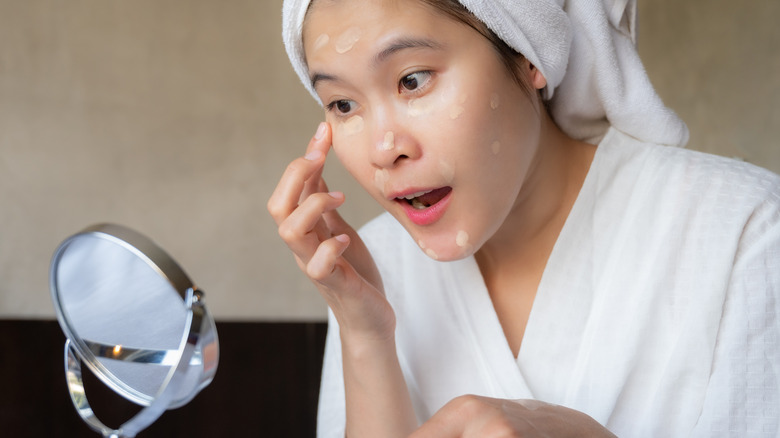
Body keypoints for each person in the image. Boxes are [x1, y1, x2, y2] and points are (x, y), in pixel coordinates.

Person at [268, 0, 780, 436]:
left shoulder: (742, 230)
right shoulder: (367, 270)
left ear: (530, 54)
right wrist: (367, 336)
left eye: (413, 80)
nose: (383, 150)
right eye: (341, 104)